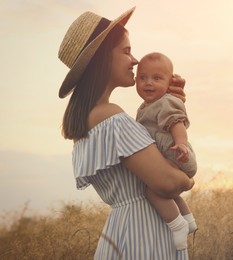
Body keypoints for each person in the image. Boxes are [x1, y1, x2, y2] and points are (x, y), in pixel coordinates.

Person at [57, 6, 194, 259]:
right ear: (102, 59)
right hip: (145, 236)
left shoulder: (92, 120)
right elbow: (168, 182)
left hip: (124, 233)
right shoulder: (111, 117)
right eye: (126, 51)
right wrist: (188, 180)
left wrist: (170, 105)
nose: (135, 60)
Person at [135, 52, 198, 250]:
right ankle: (188, 220)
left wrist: (181, 144)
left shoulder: (166, 102)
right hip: (174, 154)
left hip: (177, 153)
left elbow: (176, 124)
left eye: (156, 78)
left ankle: (177, 225)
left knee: (153, 190)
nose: (148, 83)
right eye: (142, 78)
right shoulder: (148, 105)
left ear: (170, 82)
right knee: (168, 193)